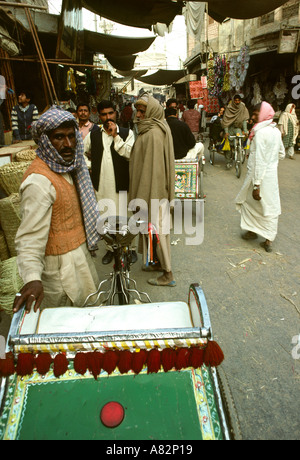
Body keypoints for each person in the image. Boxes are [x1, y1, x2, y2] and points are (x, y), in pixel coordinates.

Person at [13, 107, 100, 313]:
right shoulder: (39, 182)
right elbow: (28, 239)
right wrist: (32, 279)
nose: (68, 144)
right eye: (59, 137)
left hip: (80, 260)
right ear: (44, 141)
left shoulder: (68, 167)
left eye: (71, 136)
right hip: (59, 272)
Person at [129, 93, 176, 287]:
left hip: (154, 193)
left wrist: (148, 197)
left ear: (152, 111)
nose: (138, 115)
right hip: (152, 193)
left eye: (143, 111)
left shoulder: (153, 134)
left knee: (158, 232)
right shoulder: (151, 129)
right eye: (138, 111)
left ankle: (167, 274)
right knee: (153, 230)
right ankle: (156, 264)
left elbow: (154, 171)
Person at [84, 100, 136, 265]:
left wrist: (115, 135)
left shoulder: (127, 133)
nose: (108, 117)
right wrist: (90, 165)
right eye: (104, 114)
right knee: (106, 217)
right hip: (102, 184)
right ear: (99, 116)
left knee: (125, 217)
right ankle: (110, 249)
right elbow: (81, 152)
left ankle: (130, 249)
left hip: (123, 183)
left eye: (110, 113)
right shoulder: (94, 133)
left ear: (116, 113)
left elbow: (130, 154)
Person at [235, 102, 285, 253]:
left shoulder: (261, 133)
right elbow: (281, 154)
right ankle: (257, 233)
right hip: (269, 175)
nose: (253, 116)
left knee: (260, 203)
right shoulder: (275, 131)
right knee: (264, 205)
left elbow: (261, 160)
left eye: (256, 113)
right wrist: (272, 162)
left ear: (264, 113)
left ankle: (265, 238)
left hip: (259, 176)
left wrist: (257, 184)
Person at [222, 94, 249, 168]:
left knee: (241, 138)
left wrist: (245, 130)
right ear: (233, 100)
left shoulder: (242, 107)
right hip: (230, 128)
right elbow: (226, 120)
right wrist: (226, 132)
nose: (237, 102)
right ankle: (228, 161)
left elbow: (244, 119)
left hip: (237, 128)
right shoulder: (229, 107)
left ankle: (240, 151)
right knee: (229, 146)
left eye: (238, 100)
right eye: (236, 100)